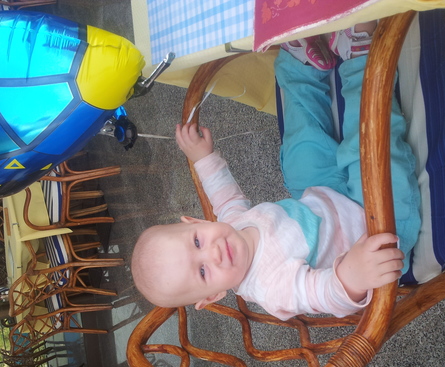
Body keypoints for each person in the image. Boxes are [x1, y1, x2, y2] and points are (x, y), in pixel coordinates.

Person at [131, 22, 421, 319]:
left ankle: (301, 67)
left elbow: (224, 197)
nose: (213, 253)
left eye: (197, 242)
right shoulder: (271, 288)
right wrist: (351, 277)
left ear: (196, 221)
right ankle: (362, 60)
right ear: (213, 296)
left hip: (322, 197)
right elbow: (318, 294)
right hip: (374, 227)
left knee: (300, 152)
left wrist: (203, 158)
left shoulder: (234, 225)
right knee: (370, 145)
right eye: (203, 271)